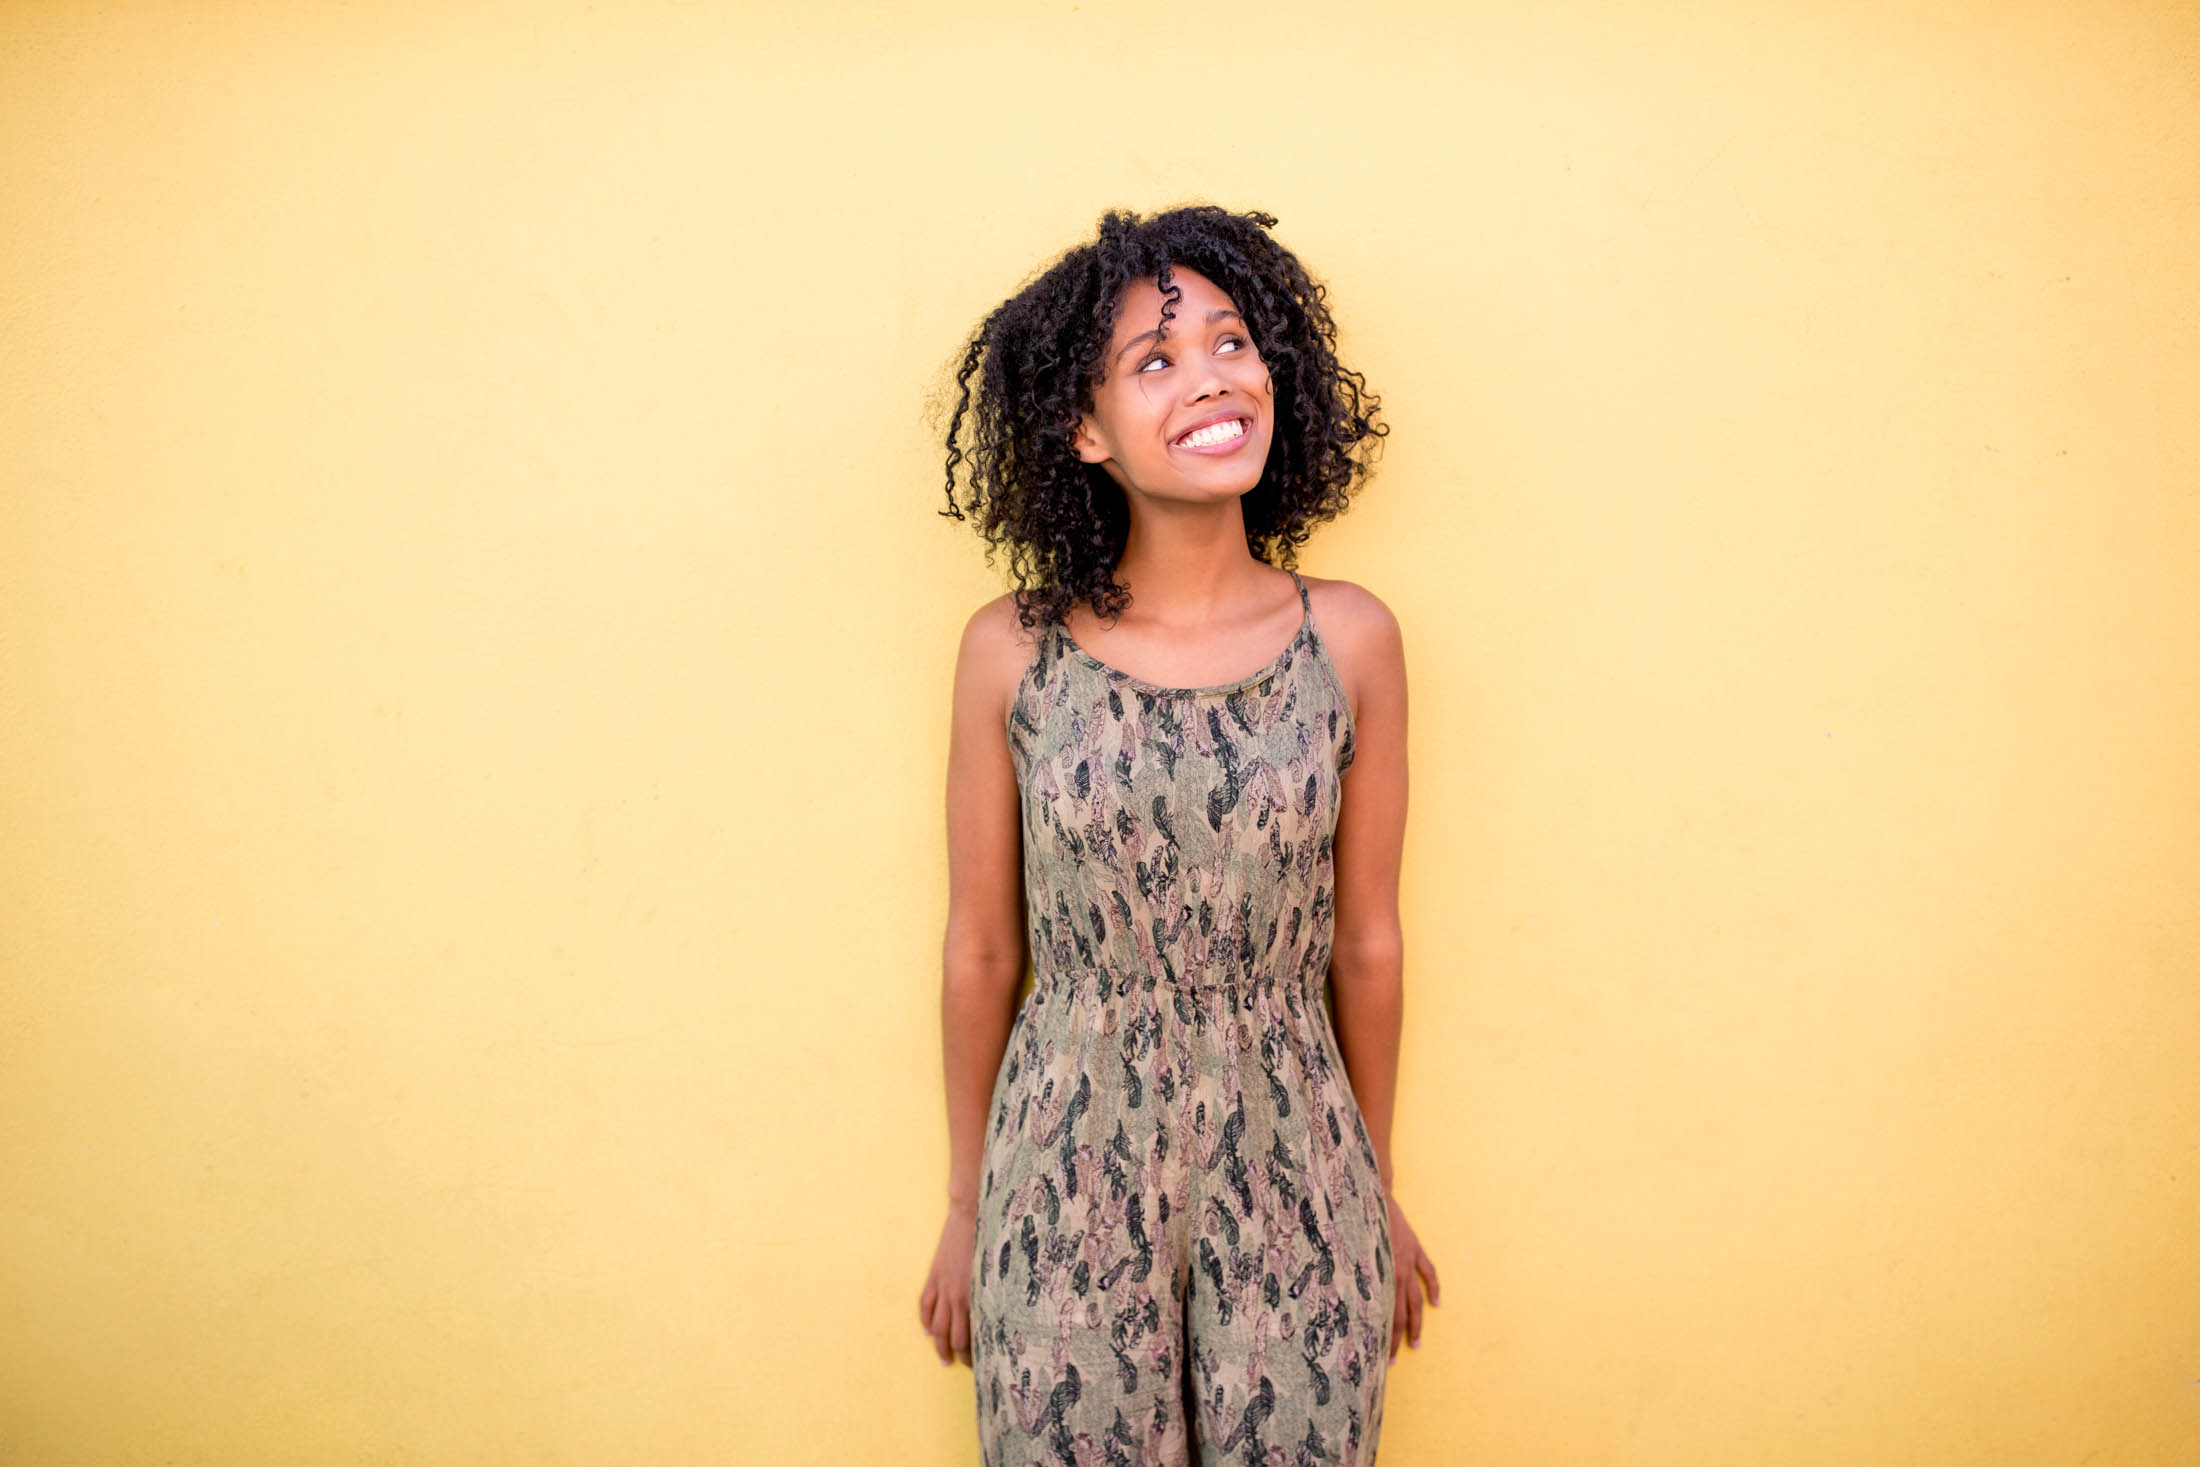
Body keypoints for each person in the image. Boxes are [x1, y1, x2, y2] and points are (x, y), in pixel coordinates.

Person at [918, 203, 1439, 1466]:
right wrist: (966, 1205)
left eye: (1230, 342)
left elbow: (1364, 945)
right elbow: (984, 950)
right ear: (1084, 430)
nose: (1211, 377)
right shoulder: (1009, 651)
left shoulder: (1352, 640)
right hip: (1064, 1159)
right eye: (1154, 361)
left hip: (1296, 1157)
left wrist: (1368, 1187)